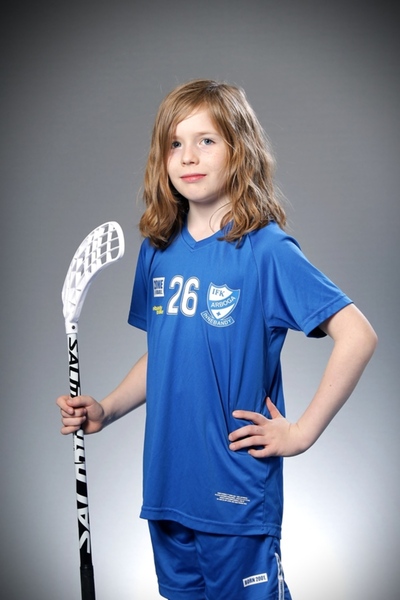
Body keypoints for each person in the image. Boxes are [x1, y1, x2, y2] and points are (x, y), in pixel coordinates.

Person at [57, 79, 377, 600]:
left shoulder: (266, 250)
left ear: (239, 149)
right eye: (175, 143)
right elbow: (165, 354)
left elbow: (358, 335)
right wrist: (107, 409)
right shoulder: (158, 250)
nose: (188, 156)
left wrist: (300, 433)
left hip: (236, 496)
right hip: (167, 491)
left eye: (206, 140)